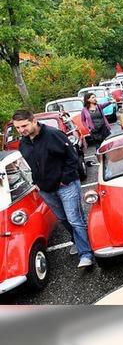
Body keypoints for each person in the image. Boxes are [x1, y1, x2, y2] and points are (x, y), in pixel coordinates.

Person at [12, 110, 94, 268]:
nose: (21, 130)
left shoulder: (53, 134)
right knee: (63, 219)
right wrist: (34, 182)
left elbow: (72, 157)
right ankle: (77, 241)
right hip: (45, 189)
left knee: (74, 219)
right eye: (18, 128)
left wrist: (64, 179)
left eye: (24, 125)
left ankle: (86, 254)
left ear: (33, 121)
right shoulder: (24, 143)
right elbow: (27, 165)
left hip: (66, 185)